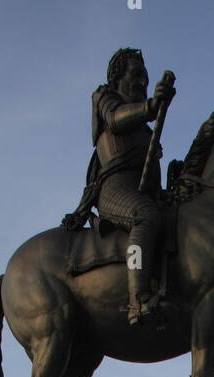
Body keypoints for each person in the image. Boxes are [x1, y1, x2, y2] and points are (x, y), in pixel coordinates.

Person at [77, 48, 176, 324]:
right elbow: (115, 118)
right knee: (145, 215)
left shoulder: (144, 129)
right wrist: (151, 107)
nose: (143, 82)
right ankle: (138, 300)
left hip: (145, 192)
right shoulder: (104, 97)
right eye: (136, 74)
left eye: (146, 77)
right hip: (115, 189)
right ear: (117, 77)